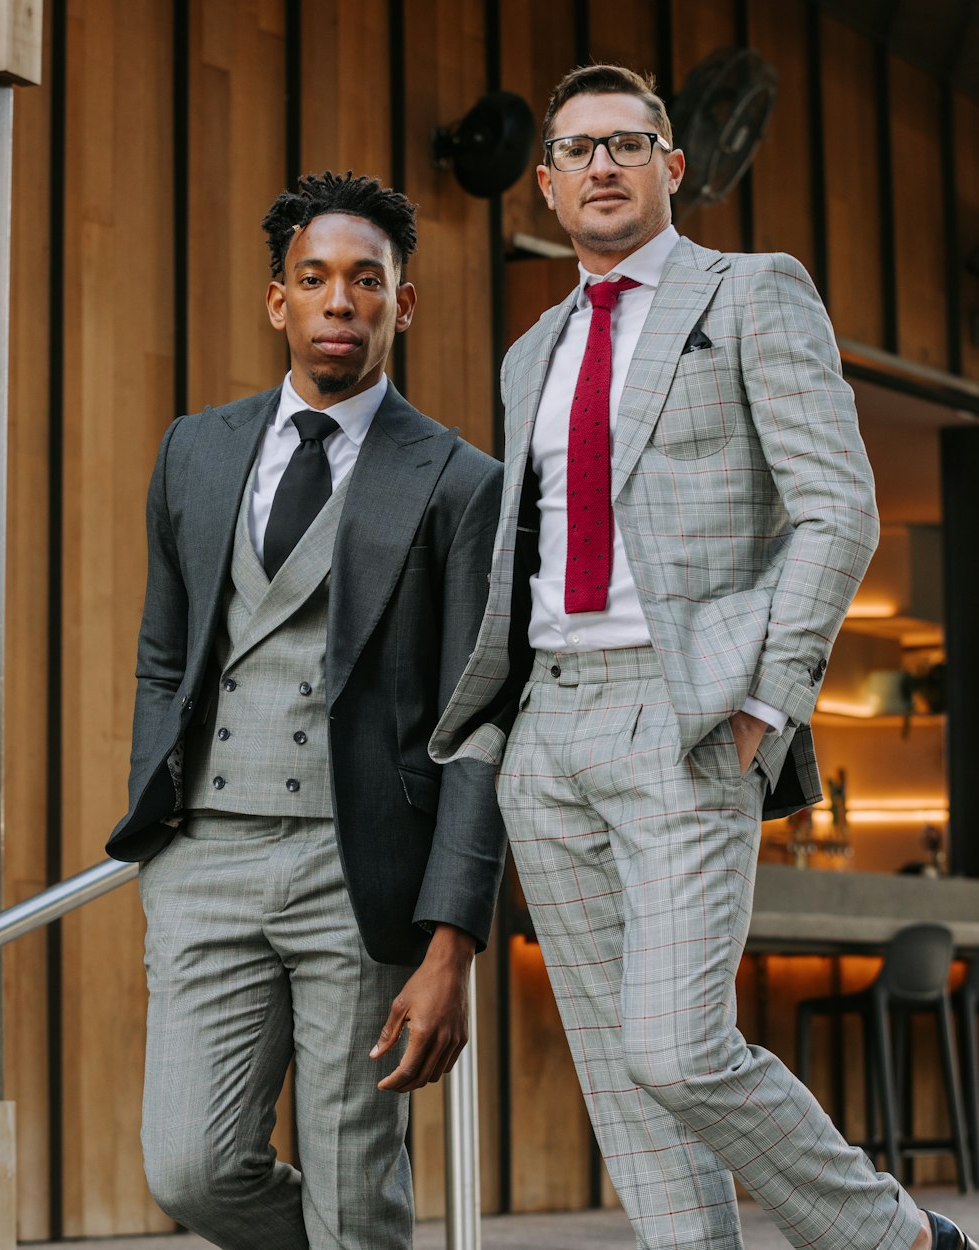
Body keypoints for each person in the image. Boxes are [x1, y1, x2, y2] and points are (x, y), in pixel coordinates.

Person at [431, 64, 975, 1250]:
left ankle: (894, 1239)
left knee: (676, 1045)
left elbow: (838, 508)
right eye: (577, 151)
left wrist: (768, 697)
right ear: (549, 182)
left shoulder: (751, 294)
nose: (603, 167)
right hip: (548, 728)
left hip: (682, 711)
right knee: (625, 1084)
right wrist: (503, 733)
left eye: (628, 144)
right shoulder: (531, 353)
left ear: (674, 168)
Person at [107, 171, 506, 1250]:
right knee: (189, 1164)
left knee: (351, 1168)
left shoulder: (461, 480)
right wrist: (164, 822)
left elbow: (478, 719)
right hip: (205, 859)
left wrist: (450, 942)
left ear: (402, 304)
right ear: (276, 300)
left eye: (366, 280)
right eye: (315, 278)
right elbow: (161, 653)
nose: (342, 301)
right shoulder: (195, 448)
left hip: (358, 869)